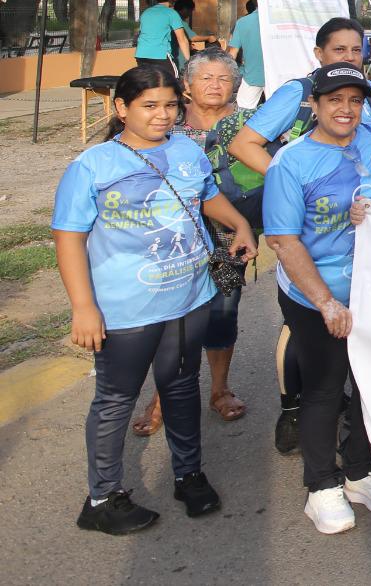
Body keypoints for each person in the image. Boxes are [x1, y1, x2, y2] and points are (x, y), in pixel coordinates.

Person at [52, 65, 257, 534]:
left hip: (188, 298)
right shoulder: (94, 166)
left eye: (169, 105)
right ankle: (102, 497)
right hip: (126, 309)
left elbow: (205, 196)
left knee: (182, 386)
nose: (162, 115)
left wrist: (239, 224)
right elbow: (68, 237)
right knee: (116, 400)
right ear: (121, 108)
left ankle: (188, 474)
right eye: (148, 106)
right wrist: (83, 307)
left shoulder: (186, 150)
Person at [262, 64, 371, 534]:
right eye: (335, 100)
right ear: (315, 105)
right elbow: (282, 240)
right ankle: (321, 485)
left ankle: (360, 471)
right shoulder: (291, 161)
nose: (346, 110)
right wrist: (326, 302)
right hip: (315, 292)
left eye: (355, 101)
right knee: (325, 386)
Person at [226, 16, 371, 456]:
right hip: (302, 229)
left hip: (350, 232)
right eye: (338, 50)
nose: (347, 57)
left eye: (355, 50)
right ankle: (292, 408)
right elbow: (243, 145)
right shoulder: (297, 92)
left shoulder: (368, 95)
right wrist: (297, 187)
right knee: (301, 323)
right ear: (318, 54)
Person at [131, 49, 253, 438]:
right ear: (186, 86)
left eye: (223, 78)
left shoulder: (251, 127)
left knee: (222, 313)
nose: (215, 85)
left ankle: (219, 389)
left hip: (228, 238)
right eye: (205, 78)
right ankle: (163, 397)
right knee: (169, 318)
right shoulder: (166, 126)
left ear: (235, 85)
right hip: (170, 241)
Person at [135, 0, 191, 74]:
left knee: (150, 82)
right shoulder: (171, 13)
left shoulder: (146, 12)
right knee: (173, 82)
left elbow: (140, 32)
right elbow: (182, 39)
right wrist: (189, 61)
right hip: (160, 55)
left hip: (141, 54)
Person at [227, 0, 265, 109]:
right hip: (278, 77)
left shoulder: (242, 22)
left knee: (243, 114)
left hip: (252, 76)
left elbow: (232, 52)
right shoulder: (282, 19)